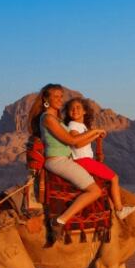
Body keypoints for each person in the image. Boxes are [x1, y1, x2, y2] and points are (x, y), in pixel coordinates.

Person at [28, 84, 106, 241]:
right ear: (46, 99)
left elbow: (76, 142)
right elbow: (71, 140)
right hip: (58, 161)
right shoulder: (48, 119)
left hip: (64, 159)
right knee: (94, 191)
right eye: (56, 96)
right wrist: (94, 131)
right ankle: (59, 221)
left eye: (61, 96)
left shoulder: (56, 119)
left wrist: (94, 135)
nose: (60, 100)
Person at [63, 97, 135, 221]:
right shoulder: (73, 125)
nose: (74, 110)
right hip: (83, 161)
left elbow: (82, 141)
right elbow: (77, 144)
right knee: (114, 178)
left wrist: (95, 135)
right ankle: (119, 209)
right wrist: (95, 134)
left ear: (84, 111)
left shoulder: (81, 126)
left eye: (78, 108)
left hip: (85, 160)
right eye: (71, 108)